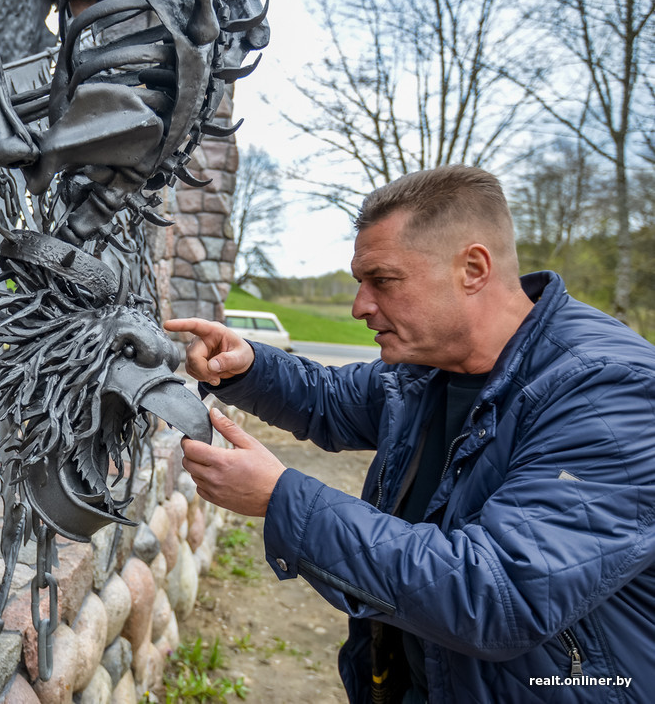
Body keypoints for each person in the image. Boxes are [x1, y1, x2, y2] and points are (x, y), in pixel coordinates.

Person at [163, 165, 655, 703]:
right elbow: (329, 399)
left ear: (472, 268)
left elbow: (497, 594)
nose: (359, 307)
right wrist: (247, 365)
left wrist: (283, 499)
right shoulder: (430, 368)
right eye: (359, 283)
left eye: (383, 281)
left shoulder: (607, 392)